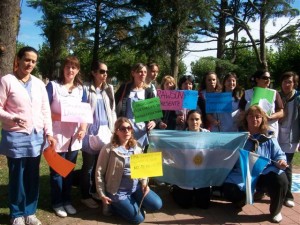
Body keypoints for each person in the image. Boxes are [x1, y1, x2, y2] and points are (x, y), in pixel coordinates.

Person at [0, 46, 56, 225]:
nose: (29, 64)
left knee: (33, 177)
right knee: (17, 177)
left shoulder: (39, 83)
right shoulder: (7, 81)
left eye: (33, 61)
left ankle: (30, 212)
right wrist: (12, 117)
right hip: (16, 136)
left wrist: (49, 132)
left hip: (36, 137)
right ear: (18, 59)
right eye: (26, 59)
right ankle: (16, 214)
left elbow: (45, 110)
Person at [222, 105, 288, 223]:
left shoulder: (269, 137)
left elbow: (279, 155)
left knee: (281, 179)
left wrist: (281, 162)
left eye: (258, 117)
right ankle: (243, 198)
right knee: (229, 190)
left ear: (262, 119)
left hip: (264, 172)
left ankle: (276, 211)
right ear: (246, 118)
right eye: (251, 116)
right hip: (244, 173)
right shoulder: (239, 137)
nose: (254, 119)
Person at [95, 117, 163, 224]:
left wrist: (145, 183)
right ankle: (113, 206)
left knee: (157, 204)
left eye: (129, 128)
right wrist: (102, 194)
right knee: (139, 219)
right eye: (122, 129)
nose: (126, 131)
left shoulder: (137, 147)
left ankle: (132, 202)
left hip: (135, 187)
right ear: (116, 131)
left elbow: (143, 169)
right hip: (117, 191)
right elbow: (99, 173)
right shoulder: (108, 149)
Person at [46, 56, 87, 218]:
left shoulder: (80, 89)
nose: (70, 70)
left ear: (77, 70)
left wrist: (83, 129)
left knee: (68, 171)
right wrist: (62, 116)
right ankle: (57, 203)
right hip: (56, 136)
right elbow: (44, 110)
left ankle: (67, 200)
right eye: (68, 67)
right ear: (63, 69)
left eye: (74, 67)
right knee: (57, 172)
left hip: (74, 138)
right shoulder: (53, 86)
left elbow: (84, 112)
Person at [80, 61, 117, 208]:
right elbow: (81, 110)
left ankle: (96, 191)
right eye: (102, 71)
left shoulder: (108, 89)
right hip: (90, 133)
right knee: (88, 166)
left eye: (106, 72)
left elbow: (112, 111)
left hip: (106, 133)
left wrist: (113, 129)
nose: (105, 74)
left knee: (100, 165)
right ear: (94, 73)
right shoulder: (85, 89)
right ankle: (85, 195)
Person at [171, 110, 211, 209]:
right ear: (187, 121)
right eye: (191, 119)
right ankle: (173, 188)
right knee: (185, 204)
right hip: (185, 177)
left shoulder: (209, 135)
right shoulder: (181, 136)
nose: (194, 122)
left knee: (203, 205)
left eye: (197, 119)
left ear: (201, 121)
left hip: (202, 177)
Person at [115, 63, 158, 150]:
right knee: (125, 156)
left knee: (140, 160)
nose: (143, 74)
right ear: (133, 73)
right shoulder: (125, 88)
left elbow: (155, 114)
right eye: (140, 72)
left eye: (145, 72)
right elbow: (114, 104)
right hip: (126, 130)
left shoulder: (148, 91)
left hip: (141, 131)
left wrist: (154, 122)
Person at [239, 70, 284, 137]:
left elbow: (281, 112)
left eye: (269, 78)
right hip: (251, 130)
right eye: (265, 78)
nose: (268, 80)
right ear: (257, 79)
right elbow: (241, 111)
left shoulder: (274, 93)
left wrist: (270, 117)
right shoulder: (247, 93)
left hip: (269, 129)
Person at [278, 71, 300, 208]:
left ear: (294, 84)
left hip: (291, 137)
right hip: (276, 135)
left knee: (287, 166)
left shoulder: (298, 98)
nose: (286, 84)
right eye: (285, 81)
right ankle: (267, 190)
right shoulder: (276, 96)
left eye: (290, 82)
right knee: (272, 164)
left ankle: (287, 195)